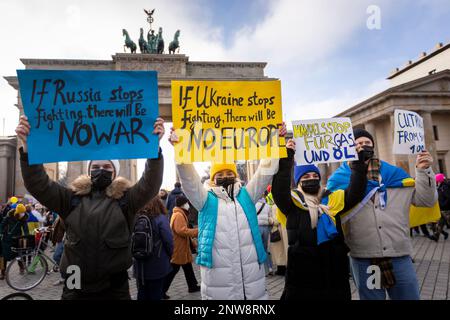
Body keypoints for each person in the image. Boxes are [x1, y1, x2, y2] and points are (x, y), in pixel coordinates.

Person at [15, 115, 165, 300]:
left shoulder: (126, 200)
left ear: (115, 172)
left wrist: (154, 149)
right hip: (74, 278)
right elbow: (39, 184)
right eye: (96, 166)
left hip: (114, 283)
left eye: (107, 167)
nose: (101, 170)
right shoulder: (69, 198)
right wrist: (28, 149)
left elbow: (150, 184)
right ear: (88, 170)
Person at [168, 124, 286, 300]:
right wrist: (180, 150)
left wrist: (275, 141)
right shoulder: (205, 200)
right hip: (219, 285)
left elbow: (265, 172)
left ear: (235, 175)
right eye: (219, 174)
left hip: (252, 284)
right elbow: (189, 181)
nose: (225, 176)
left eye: (228, 172)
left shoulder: (247, 195)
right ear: (212, 178)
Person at [327, 128, 437, 300]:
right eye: (358, 144)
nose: (363, 146)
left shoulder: (394, 174)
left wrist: (423, 171)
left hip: (399, 255)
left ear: (373, 146)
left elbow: (426, 200)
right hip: (364, 258)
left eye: (367, 143)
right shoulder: (338, 180)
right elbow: (330, 213)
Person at [272, 139, 368, 300]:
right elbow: (279, 190)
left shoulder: (333, 199)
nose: (311, 178)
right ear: (298, 181)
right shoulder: (292, 203)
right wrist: (287, 156)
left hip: (334, 271)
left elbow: (356, 192)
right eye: (306, 176)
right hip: (303, 273)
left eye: (315, 175)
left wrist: (358, 163)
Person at [133, 197, 173, 300]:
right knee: (156, 292)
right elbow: (168, 241)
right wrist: (170, 255)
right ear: (158, 204)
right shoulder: (161, 218)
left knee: (141, 291)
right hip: (157, 263)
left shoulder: (136, 217)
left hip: (139, 263)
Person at [163, 196, 199, 298]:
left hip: (182, 246)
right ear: (183, 204)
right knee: (174, 269)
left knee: (187, 266)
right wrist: (197, 231)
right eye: (187, 203)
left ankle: (192, 286)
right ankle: (162, 290)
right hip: (178, 247)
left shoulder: (180, 213)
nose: (188, 205)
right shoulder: (178, 214)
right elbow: (181, 230)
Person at [0, 204, 29, 280]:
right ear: (17, 212)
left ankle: (21, 267)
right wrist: (2, 232)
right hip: (6, 239)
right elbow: (2, 225)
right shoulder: (9, 217)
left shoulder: (23, 218)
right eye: (21, 212)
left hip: (17, 239)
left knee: (19, 254)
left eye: (23, 212)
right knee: (3, 256)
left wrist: (26, 236)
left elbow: (25, 229)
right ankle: (2, 272)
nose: (22, 214)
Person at [256, 196, 274, 276]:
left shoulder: (254, 204)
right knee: (265, 249)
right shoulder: (267, 206)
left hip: (258, 228)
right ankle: (270, 267)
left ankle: (262, 270)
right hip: (266, 228)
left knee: (258, 248)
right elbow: (270, 218)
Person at [431, 173, 450, 241]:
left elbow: (448, 197)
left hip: (446, 209)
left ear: (439, 180)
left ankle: (436, 235)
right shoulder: (441, 186)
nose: (435, 181)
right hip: (442, 208)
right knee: (440, 222)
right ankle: (436, 235)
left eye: (436, 180)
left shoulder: (444, 187)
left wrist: (443, 204)